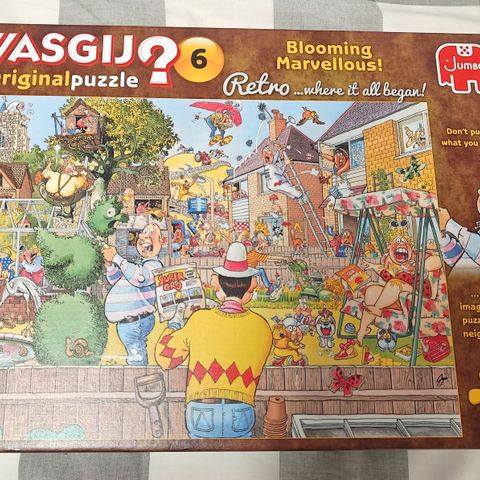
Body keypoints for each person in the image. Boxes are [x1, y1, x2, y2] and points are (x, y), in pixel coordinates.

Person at [155, 242, 272, 439]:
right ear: (250, 288)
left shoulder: (200, 319)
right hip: (241, 411)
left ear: (217, 285)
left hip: (202, 410)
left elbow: (165, 359)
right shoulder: (261, 326)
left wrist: (175, 323)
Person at [102, 222, 163, 366]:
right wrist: (109, 265)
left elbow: (140, 278)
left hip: (135, 321)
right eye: (144, 233)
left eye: (151, 234)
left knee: (136, 355)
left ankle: (138, 376)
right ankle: (140, 373)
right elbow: (116, 280)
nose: (144, 237)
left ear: (161, 241)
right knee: (136, 350)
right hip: (130, 322)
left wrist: (116, 258)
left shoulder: (154, 266)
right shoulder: (138, 266)